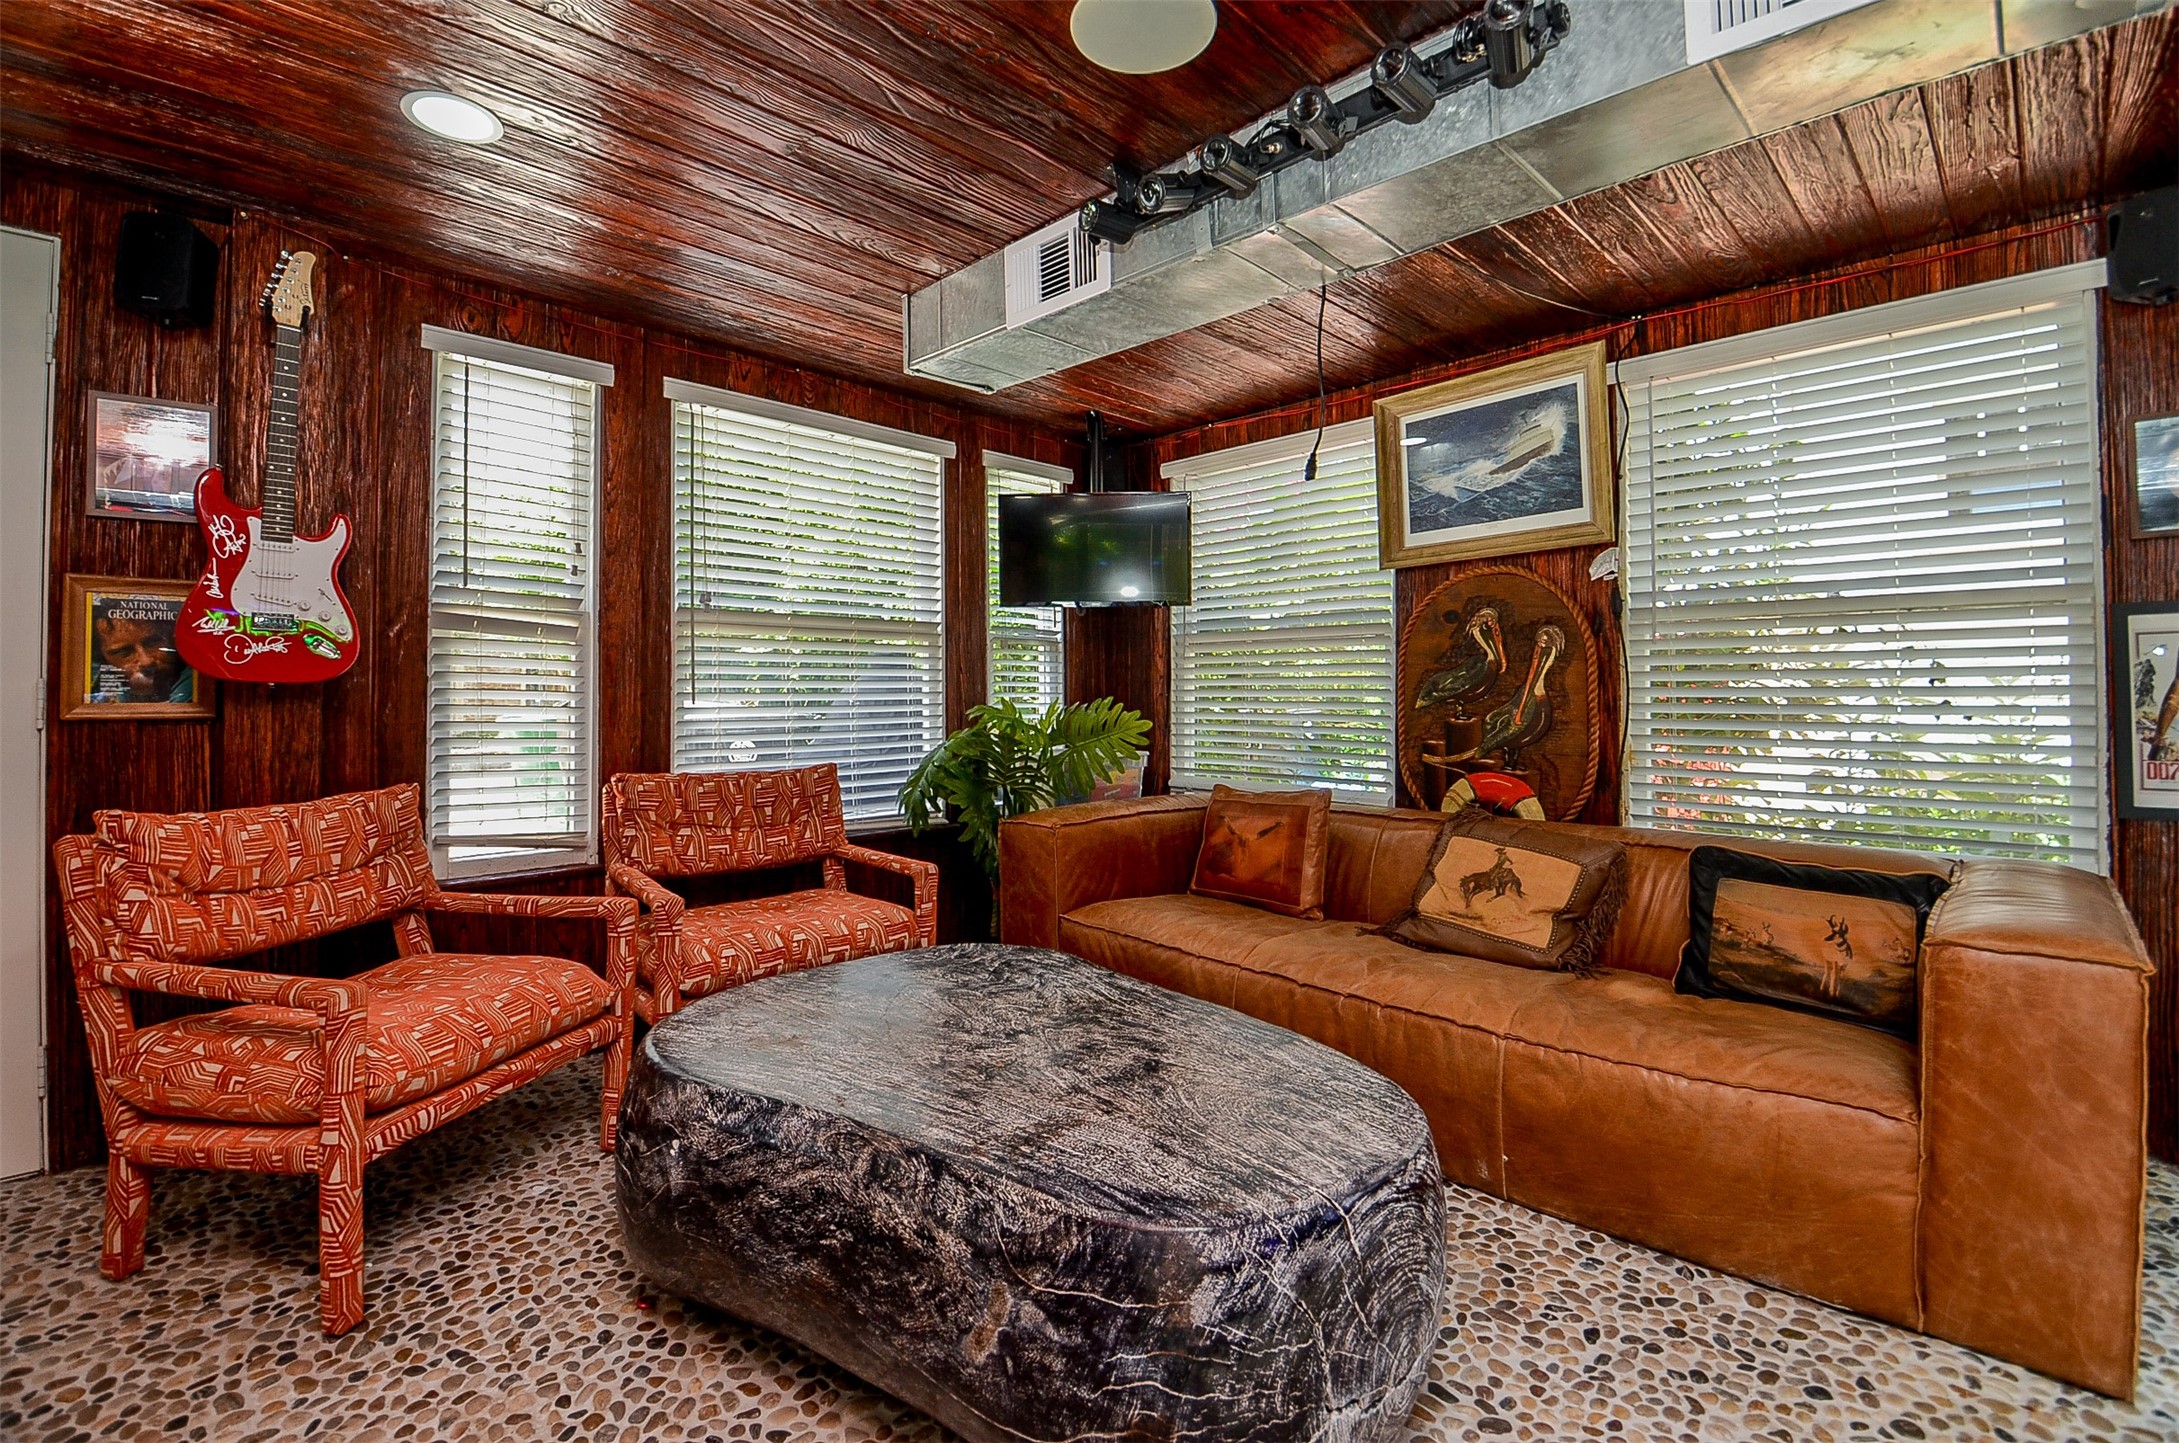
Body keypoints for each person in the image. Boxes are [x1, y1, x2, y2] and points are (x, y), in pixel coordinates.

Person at [89, 598, 193, 703]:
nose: (146, 661)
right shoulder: (98, 699)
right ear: (102, 657)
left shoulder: (196, 681)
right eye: (124, 653)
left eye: (153, 643)